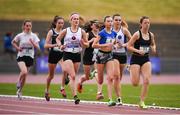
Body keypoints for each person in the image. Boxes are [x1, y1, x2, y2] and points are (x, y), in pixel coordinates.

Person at [56, 13, 89, 104]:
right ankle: (75, 96)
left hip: (77, 55)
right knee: (73, 76)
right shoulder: (66, 31)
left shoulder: (81, 31)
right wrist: (60, 45)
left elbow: (87, 44)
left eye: (77, 19)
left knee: (72, 77)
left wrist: (83, 43)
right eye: (74, 19)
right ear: (70, 20)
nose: (76, 20)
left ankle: (66, 76)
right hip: (67, 54)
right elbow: (58, 39)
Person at [127, 16, 156, 109]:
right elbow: (128, 46)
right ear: (141, 24)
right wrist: (138, 51)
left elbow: (153, 43)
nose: (147, 25)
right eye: (145, 23)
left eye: (148, 23)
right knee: (135, 83)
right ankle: (130, 68)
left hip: (146, 59)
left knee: (147, 80)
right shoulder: (137, 34)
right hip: (136, 59)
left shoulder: (151, 35)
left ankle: (142, 101)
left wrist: (153, 48)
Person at [11, 19, 40, 100]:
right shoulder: (20, 35)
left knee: (25, 75)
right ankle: (18, 81)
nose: (28, 27)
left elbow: (38, 48)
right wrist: (18, 48)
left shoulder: (34, 36)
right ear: (24, 26)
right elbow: (13, 42)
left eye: (30, 26)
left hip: (30, 57)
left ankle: (20, 91)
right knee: (24, 71)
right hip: (21, 56)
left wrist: (33, 43)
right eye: (27, 25)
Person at [92, 16, 117, 106]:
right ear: (105, 23)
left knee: (110, 77)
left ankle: (110, 100)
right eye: (108, 21)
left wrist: (115, 46)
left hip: (110, 55)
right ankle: (95, 74)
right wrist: (105, 45)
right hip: (101, 55)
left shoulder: (114, 33)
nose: (110, 23)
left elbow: (114, 43)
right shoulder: (101, 33)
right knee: (100, 80)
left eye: (111, 21)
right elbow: (94, 45)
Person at [77, 20, 104, 100]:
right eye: (95, 25)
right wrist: (91, 41)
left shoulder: (101, 34)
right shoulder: (88, 34)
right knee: (88, 77)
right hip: (88, 56)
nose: (97, 26)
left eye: (98, 24)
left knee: (98, 73)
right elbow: (84, 45)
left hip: (97, 56)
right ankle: (80, 81)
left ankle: (99, 93)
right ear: (91, 26)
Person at [44, 16, 69, 101]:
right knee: (51, 76)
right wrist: (54, 45)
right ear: (55, 23)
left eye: (62, 23)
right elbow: (45, 45)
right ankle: (47, 91)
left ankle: (62, 88)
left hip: (62, 54)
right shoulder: (51, 32)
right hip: (53, 54)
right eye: (59, 23)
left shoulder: (65, 32)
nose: (61, 24)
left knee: (65, 69)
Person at [112, 14, 132, 105]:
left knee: (119, 78)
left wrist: (123, 45)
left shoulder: (124, 30)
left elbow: (132, 41)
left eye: (119, 20)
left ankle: (116, 92)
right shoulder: (109, 30)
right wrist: (112, 45)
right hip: (113, 55)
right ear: (113, 21)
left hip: (123, 55)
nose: (118, 21)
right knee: (116, 75)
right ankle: (119, 98)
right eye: (116, 20)